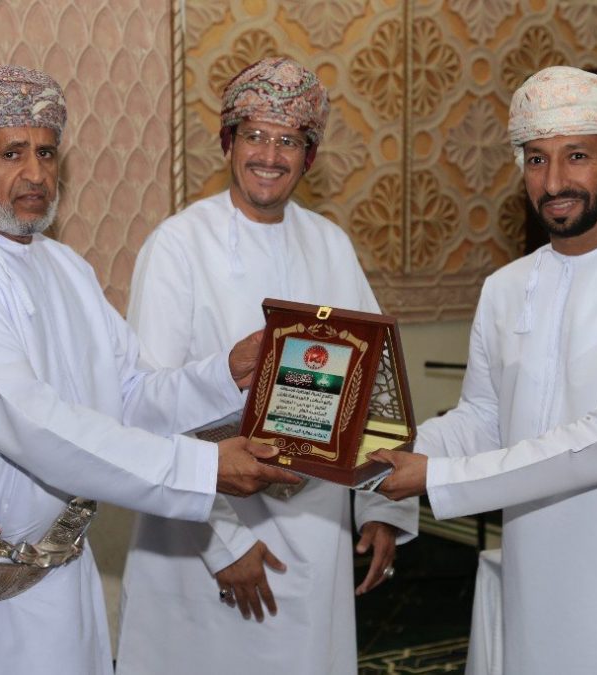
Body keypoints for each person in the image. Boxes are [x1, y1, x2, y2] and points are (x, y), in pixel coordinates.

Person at [0, 65, 299, 675]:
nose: (36, 173)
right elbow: (31, 425)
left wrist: (224, 374)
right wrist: (202, 469)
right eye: (12, 153)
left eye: (46, 152)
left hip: (61, 576)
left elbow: (127, 394)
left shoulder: (65, 268)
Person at [371, 65, 597, 674]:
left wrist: (436, 478)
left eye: (577, 157)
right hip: (535, 589)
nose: (555, 180)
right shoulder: (506, 287)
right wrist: (385, 452)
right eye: (537, 160)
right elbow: (484, 418)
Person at [115, 57, 419, 675]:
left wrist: (383, 506)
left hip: (317, 525)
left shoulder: (330, 242)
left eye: (289, 141)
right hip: (202, 532)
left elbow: (376, 389)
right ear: (228, 142)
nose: (270, 156)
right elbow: (143, 405)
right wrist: (222, 544)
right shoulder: (178, 245)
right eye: (255, 135)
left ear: (309, 157)